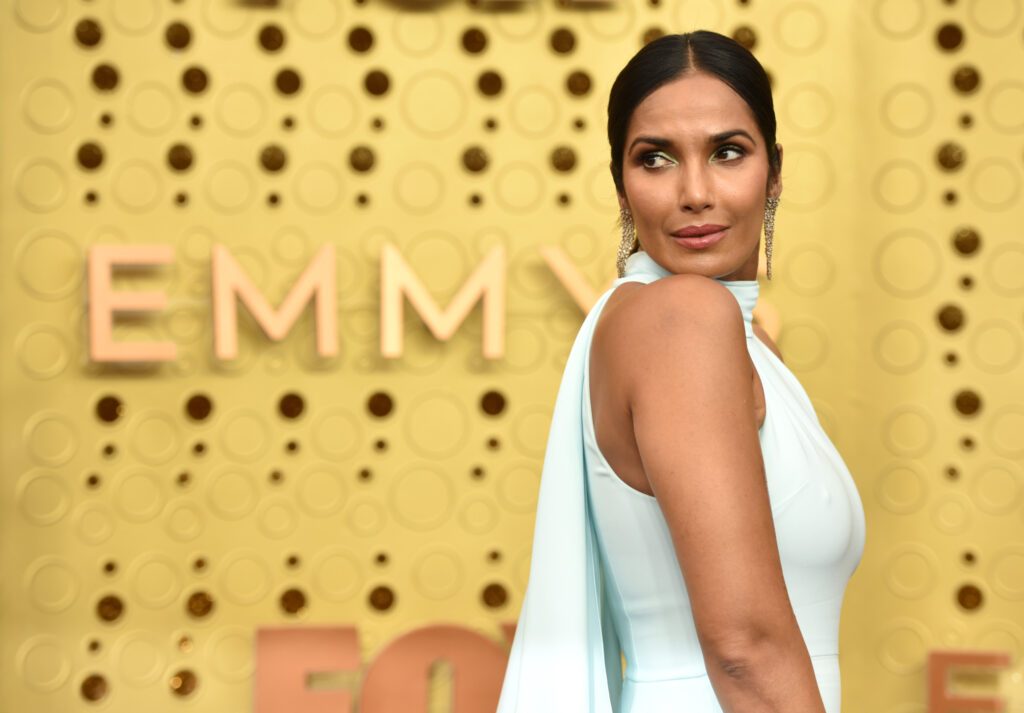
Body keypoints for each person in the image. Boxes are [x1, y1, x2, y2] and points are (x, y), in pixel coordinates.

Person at [496, 30, 866, 713]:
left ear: (774, 170)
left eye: (728, 151)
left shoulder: (749, 343)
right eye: (656, 159)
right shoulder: (683, 320)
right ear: (621, 184)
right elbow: (744, 647)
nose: (694, 192)